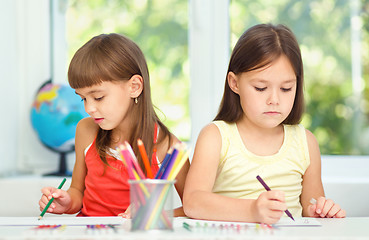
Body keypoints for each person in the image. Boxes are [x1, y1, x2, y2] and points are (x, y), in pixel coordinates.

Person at [183, 23, 346, 224]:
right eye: (261, 88)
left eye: (286, 88)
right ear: (234, 83)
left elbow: (310, 206)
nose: (274, 100)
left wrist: (321, 211)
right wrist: (252, 210)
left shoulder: (306, 142)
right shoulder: (216, 137)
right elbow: (193, 202)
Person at [38, 33, 190, 217]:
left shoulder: (168, 147)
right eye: (83, 99)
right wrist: (67, 202)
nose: (89, 108)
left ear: (134, 87)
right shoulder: (86, 131)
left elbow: (193, 207)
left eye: (98, 97)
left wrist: (153, 213)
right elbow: (77, 192)